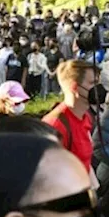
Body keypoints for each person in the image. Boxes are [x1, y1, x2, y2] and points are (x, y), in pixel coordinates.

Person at [42, 59, 99, 187]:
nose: (98, 88)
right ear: (75, 87)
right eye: (93, 83)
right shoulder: (55, 125)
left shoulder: (86, 117)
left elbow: (86, 162)